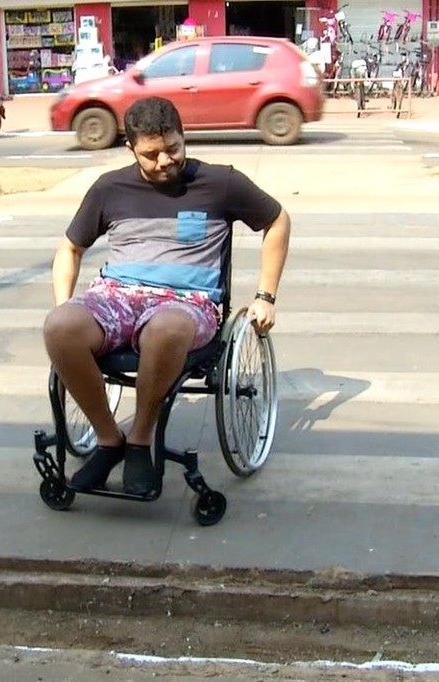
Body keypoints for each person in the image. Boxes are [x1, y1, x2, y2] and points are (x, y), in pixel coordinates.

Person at [42, 96, 291, 495]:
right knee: (59, 327)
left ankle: (141, 440)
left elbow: (277, 220)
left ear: (183, 135)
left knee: (166, 328)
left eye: (172, 148)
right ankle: (109, 440)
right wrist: (64, 303)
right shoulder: (110, 188)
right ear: (131, 150)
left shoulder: (221, 182)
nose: (164, 161)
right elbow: (70, 249)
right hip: (117, 295)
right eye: (151, 154)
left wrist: (266, 296)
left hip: (189, 302)